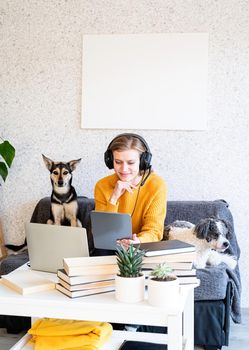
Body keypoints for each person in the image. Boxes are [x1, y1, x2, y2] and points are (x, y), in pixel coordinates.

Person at [94, 133, 167, 247]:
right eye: (118, 162)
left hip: (143, 247)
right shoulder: (102, 185)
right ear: (110, 161)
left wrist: (138, 241)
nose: (123, 169)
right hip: (110, 247)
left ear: (143, 162)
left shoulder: (156, 185)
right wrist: (113, 198)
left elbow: (155, 231)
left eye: (131, 162)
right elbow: (103, 233)